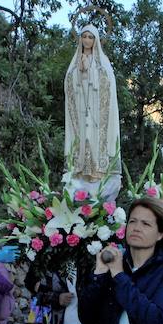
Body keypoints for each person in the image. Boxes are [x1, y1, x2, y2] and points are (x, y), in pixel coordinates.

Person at [64, 24, 121, 199]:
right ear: (80, 39)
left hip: (97, 111)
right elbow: (69, 85)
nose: (87, 40)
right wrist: (80, 72)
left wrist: (91, 72)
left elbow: (108, 86)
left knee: (96, 140)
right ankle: (81, 172)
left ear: (95, 40)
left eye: (90, 37)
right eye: (84, 36)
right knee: (82, 140)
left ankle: (98, 173)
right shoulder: (75, 62)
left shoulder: (103, 62)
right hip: (81, 110)